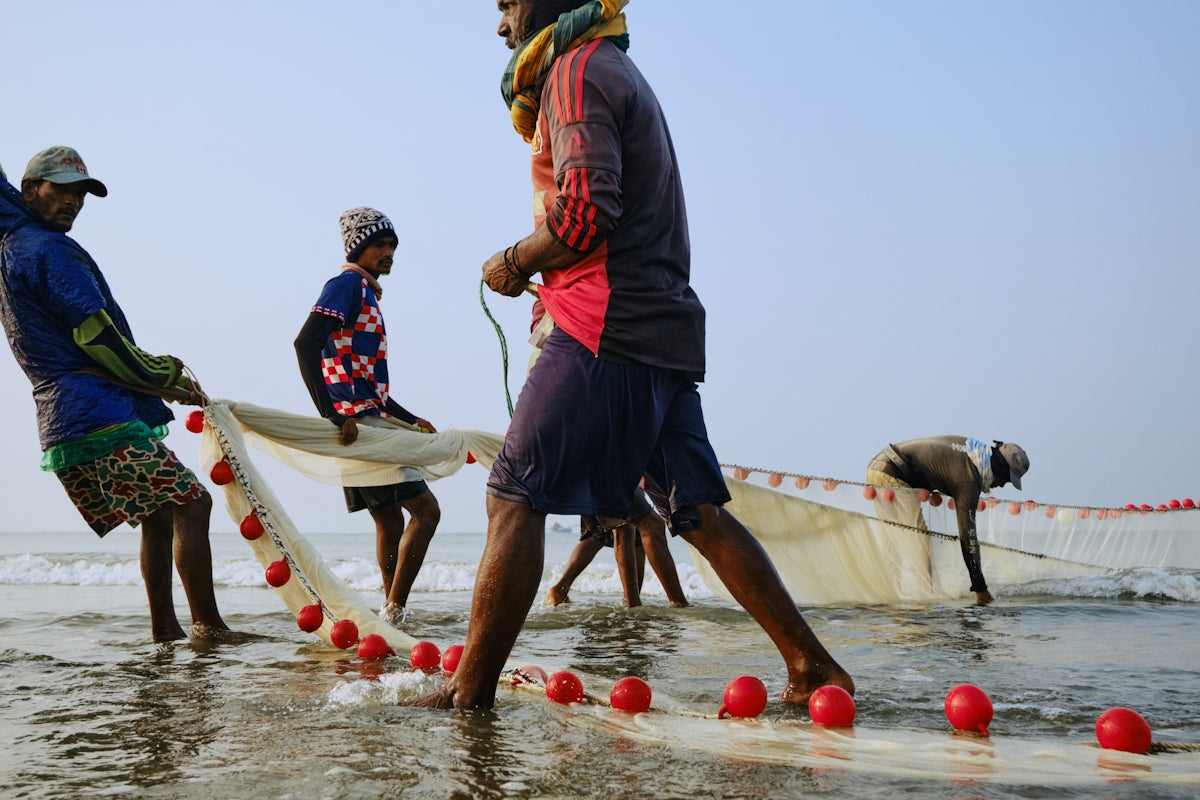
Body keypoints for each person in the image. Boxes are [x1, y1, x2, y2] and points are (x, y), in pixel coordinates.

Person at [412, 0, 853, 709]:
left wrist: (512, 259)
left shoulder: (575, 71)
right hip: (660, 328)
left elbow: (587, 210)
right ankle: (813, 667)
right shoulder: (614, 66)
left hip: (603, 324)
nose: (501, 26)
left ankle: (469, 697)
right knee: (697, 511)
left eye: (507, 4)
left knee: (512, 497)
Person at [0, 147, 232, 643]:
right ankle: (208, 628)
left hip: (69, 419)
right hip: (93, 415)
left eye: (80, 193)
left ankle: (165, 633)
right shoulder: (47, 250)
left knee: (160, 512)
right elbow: (96, 338)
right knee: (192, 504)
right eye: (59, 189)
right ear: (28, 190)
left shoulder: (13, 243)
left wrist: (158, 383)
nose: (72, 201)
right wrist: (162, 374)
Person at [294, 207, 441, 626]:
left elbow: (366, 384)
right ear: (359, 247)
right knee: (427, 512)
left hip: (368, 419)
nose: (389, 252)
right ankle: (394, 609)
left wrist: (411, 420)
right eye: (380, 244)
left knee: (391, 520)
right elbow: (305, 344)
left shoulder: (367, 294)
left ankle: (390, 614)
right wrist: (332, 416)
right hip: (356, 428)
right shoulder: (347, 285)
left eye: (393, 245)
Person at [866, 436, 1030, 605]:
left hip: (878, 465)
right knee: (918, 539)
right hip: (891, 471)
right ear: (999, 468)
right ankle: (924, 604)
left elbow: (936, 464)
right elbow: (968, 538)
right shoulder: (969, 479)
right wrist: (980, 589)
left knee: (893, 538)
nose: (1002, 485)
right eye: (1006, 479)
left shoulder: (973, 451)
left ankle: (887, 601)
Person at [547, 491, 690, 608]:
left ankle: (560, 589)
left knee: (603, 534)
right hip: (605, 470)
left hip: (609, 472)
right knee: (626, 527)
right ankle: (633, 604)